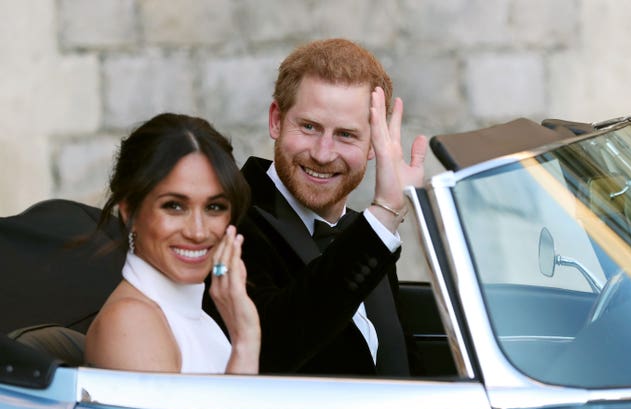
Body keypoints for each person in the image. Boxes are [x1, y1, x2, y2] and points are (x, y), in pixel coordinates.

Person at [204, 38, 427, 376]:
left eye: (346, 135)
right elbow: (270, 350)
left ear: (373, 145)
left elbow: (400, 364)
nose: (323, 153)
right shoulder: (226, 218)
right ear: (276, 120)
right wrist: (384, 215)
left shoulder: (363, 233)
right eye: (309, 127)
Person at [85, 113, 260, 374]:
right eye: (174, 206)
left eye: (214, 207)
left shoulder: (196, 317)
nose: (198, 232)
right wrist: (245, 343)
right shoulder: (131, 322)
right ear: (129, 211)